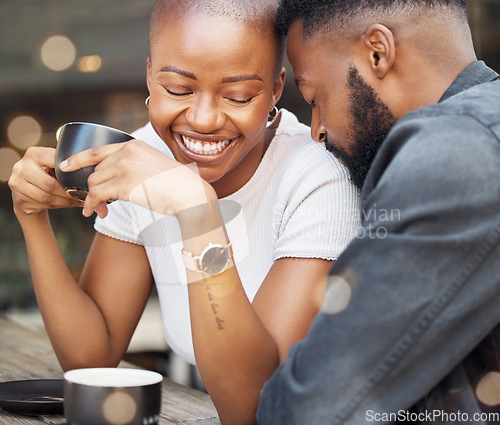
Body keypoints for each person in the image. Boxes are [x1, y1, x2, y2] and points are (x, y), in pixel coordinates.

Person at [8, 0, 360, 424]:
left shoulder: (316, 178)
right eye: (178, 89)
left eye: (238, 96)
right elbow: (91, 356)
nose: (204, 119)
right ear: (150, 77)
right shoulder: (138, 157)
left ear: (274, 89)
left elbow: (257, 406)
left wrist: (196, 211)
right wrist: (32, 216)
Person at [256, 0, 500, 424]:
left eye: (315, 97)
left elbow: (306, 406)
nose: (318, 131)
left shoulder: (453, 157)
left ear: (377, 52)